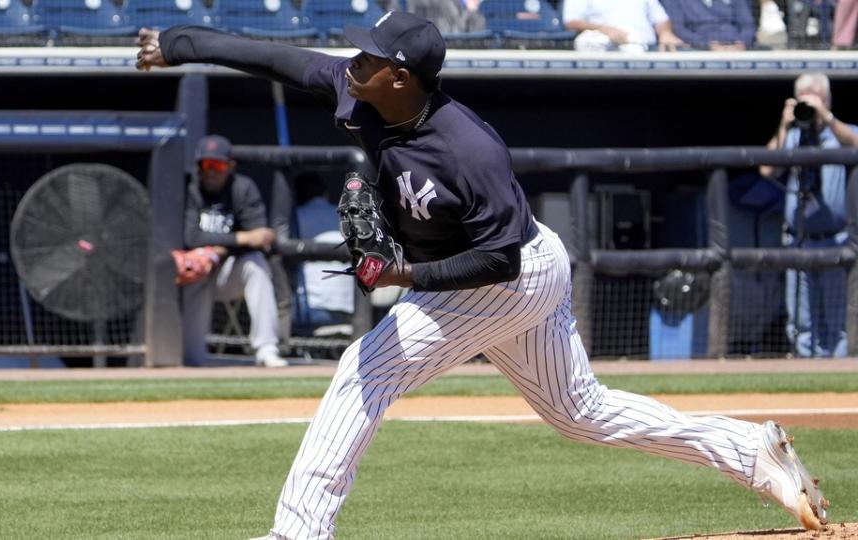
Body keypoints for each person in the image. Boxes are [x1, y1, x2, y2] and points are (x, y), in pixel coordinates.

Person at [137, 12, 828, 538]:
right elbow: (275, 58)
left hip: (508, 276)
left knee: (364, 370)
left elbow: (498, 259)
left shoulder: (469, 149)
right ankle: (750, 450)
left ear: (401, 77)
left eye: (370, 58)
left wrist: (404, 273)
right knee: (580, 413)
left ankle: (298, 531)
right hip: (507, 271)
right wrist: (179, 43)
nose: (353, 62)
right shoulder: (359, 88)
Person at [759, 72, 857, 358]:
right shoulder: (793, 136)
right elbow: (766, 169)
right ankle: (805, 366)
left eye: (817, 98)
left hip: (836, 240)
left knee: (838, 321)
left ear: (827, 100)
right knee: (801, 321)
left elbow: (855, 144)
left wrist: (825, 116)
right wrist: (784, 123)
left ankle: (837, 377)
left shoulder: (841, 133)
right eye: (806, 99)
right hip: (798, 240)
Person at [176, 135, 289, 368]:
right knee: (196, 266)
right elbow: (191, 237)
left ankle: (266, 349)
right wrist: (240, 238)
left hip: (229, 271)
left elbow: (259, 238)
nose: (211, 172)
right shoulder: (191, 189)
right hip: (193, 271)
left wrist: (220, 248)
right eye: (205, 165)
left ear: (230, 166)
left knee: (255, 263)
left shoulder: (242, 188)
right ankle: (192, 359)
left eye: (217, 165)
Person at [290, 171, 355, 333]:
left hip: (311, 309)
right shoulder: (346, 215)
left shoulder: (295, 217)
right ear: (325, 194)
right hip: (353, 307)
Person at [562, 0, 684, 52]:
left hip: (646, 51)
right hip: (606, 55)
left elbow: (661, 19)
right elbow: (571, 22)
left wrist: (665, 32)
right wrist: (604, 29)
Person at [659, 0, 756, 50]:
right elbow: (679, 29)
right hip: (697, 48)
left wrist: (742, 43)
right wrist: (707, 45)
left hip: (738, 47)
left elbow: (748, 24)